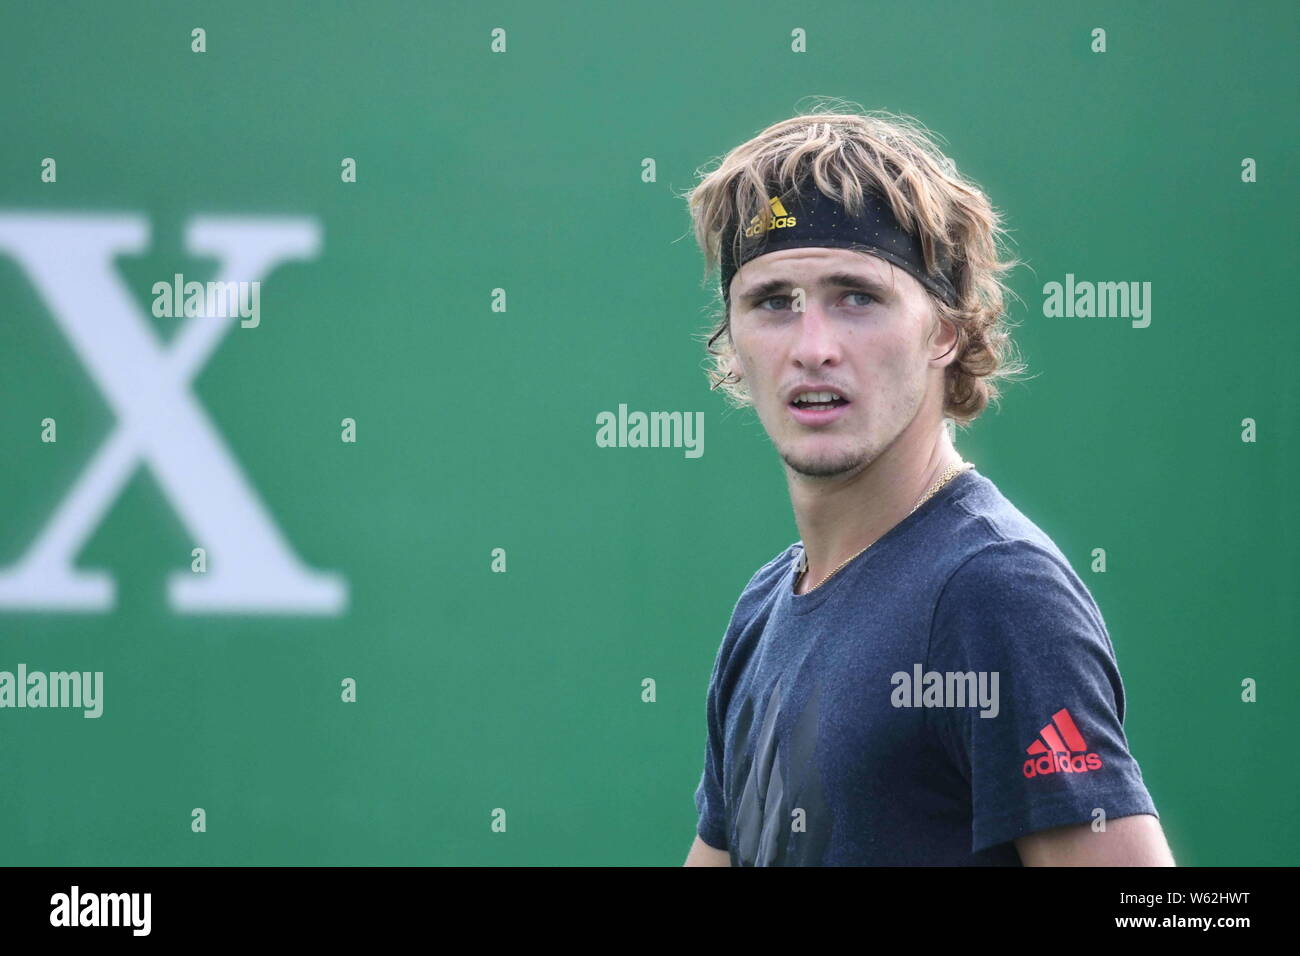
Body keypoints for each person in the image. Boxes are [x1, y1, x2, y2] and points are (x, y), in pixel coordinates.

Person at [680, 104, 1174, 866]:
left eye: (858, 297)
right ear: (733, 342)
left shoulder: (994, 591)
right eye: (773, 303)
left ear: (946, 330)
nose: (814, 348)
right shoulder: (764, 609)